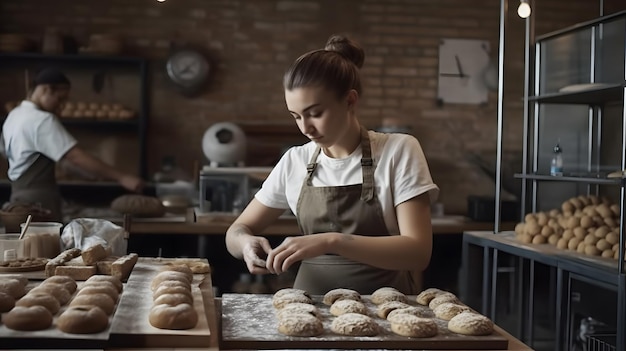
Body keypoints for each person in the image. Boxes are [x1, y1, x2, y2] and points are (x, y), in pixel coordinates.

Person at [225, 34, 439, 295]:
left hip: (386, 310)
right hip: (308, 310)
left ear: (350, 101)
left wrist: (331, 241)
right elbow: (235, 231)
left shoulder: (398, 150)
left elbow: (417, 253)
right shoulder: (295, 160)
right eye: (296, 116)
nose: (306, 128)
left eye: (315, 113)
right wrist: (245, 243)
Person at [1, 67, 144, 222]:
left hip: (17, 199)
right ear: (46, 90)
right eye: (60, 99)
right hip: (39, 201)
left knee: (25, 246)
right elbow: (76, 156)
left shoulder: (14, 115)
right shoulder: (42, 120)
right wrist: (122, 177)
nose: (60, 106)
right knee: (46, 245)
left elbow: (10, 152)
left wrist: (83, 172)